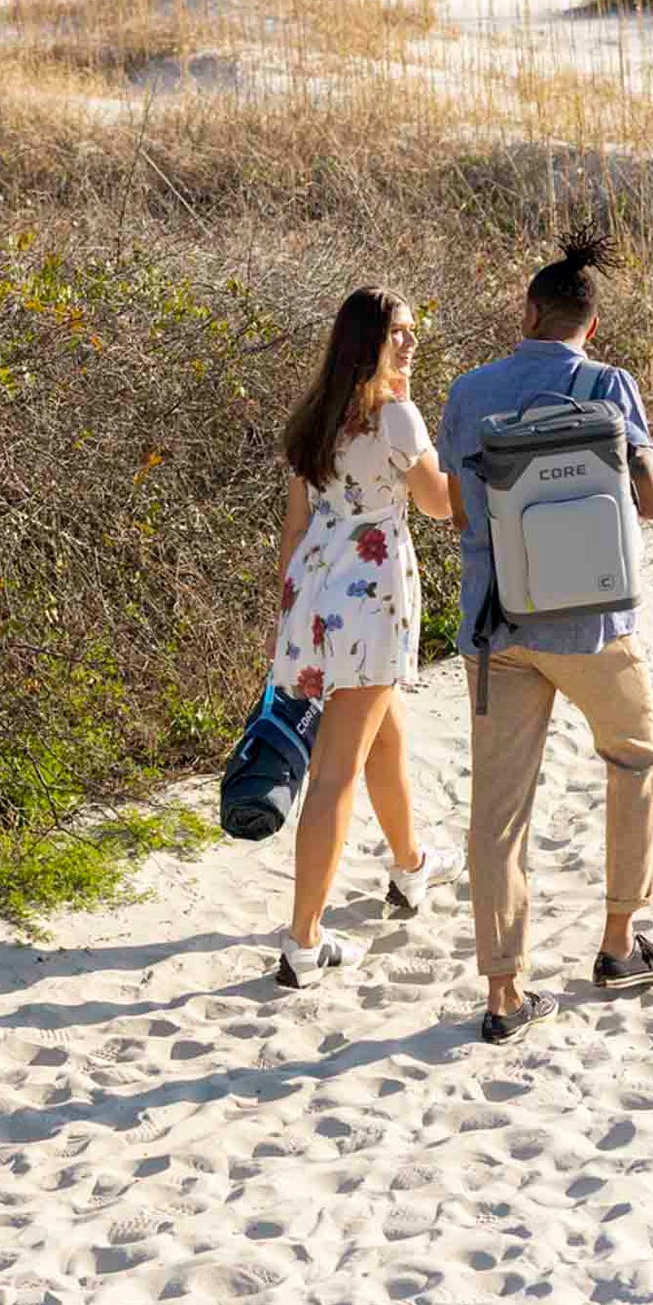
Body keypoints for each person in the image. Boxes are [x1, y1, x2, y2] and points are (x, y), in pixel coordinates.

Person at [436, 228, 653, 1045]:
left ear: (528, 311)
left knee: (498, 812)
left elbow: (464, 511)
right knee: (634, 759)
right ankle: (618, 943)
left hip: (498, 621)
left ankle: (505, 995)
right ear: (591, 325)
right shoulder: (611, 385)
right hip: (593, 626)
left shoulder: (470, 390)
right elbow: (651, 501)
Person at [271, 287, 461, 988]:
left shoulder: (316, 414)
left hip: (315, 591)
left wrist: (286, 618)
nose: (410, 343)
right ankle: (303, 943)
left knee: (385, 734)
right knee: (335, 772)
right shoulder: (394, 418)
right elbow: (440, 506)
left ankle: (410, 866)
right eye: (398, 334)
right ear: (369, 342)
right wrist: (461, 459)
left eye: (413, 331)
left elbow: (294, 525)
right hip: (369, 599)